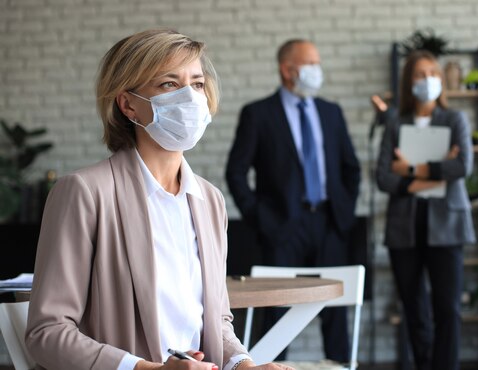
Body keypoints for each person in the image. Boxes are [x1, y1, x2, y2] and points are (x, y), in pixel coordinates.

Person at [25, 29, 293, 370]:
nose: (191, 97)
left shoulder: (210, 200)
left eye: (197, 84)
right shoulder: (84, 192)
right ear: (128, 105)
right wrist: (144, 369)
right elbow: (46, 333)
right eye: (168, 84)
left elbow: (216, 321)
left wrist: (243, 364)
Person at [225, 39, 361, 363]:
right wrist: (260, 218)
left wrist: (344, 211)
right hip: (282, 227)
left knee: (335, 314)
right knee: (277, 314)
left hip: (329, 223)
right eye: (311, 63)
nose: (318, 70)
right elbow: (236, 172)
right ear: (288, 70)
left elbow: (351, 168)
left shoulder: (331, 112)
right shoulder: (258, 113)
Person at [373, 50, 475, 370]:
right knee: (414, 310)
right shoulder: (395, 123)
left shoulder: (455, 119)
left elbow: (461, 166)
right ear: (408, 81)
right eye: (420, 73)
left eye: (434, 73)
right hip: (405, 228)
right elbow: (384, 177)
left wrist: (411, 170)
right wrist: (432, 175)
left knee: (448, 309)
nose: (428, 79)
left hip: (447, 226)